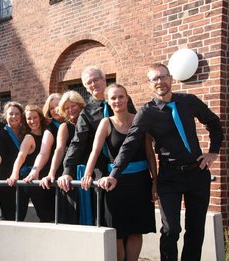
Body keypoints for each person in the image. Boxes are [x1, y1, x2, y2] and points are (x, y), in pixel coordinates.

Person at [104, 63, 223, 261]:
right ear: (150, 84)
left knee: (196, 229)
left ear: (171, 78)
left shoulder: (189, 101)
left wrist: (212, 152)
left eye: (163, 77)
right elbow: (130, 144)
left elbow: (214, 123)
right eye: (155, 79)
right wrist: (115, 174)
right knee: (171, 229)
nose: (160, 82)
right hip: (170, 176)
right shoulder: (146, 113)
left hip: (197, 173)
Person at [81, 84, 157, 261]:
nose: (118, 101)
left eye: (121, 96)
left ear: (127, 98)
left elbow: (150, 154)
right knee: (118, 233)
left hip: (141, 183)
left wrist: (155, 182)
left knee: (137, 231)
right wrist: (87, 174)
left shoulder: (140, 119)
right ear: (107, 101)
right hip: (115, 184)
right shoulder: (105, 123)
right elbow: (95, 151)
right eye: (113, 98)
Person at [58, 65, 136, 225]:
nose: (93, 84)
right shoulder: (86, 112)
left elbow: (136, 131)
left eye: (96, 79)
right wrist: (67, 171)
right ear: (85, 87)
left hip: (130, 169)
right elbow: (77, 143)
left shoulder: (122, 100)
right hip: (102, 171)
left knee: (132, 222)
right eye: (89, 82)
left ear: (104, 79)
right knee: (110, 221)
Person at [40, 90, 85, 224]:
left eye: (73, 106)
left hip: (90, 172)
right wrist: (51, 173)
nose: (70, 110)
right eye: (67, 108)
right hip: (71, 173)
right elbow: (58, 150)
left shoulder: (90, 121)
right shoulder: (64, 127)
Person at [7, 105, 54, 222]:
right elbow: (21, 156)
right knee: (45, 215)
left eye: (35, 117)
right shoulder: (29, 137)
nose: (32, 121)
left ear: (40, 118)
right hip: (33, 180)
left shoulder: (47, 133)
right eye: (29, 118)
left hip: (46, 178)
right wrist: (14, 174)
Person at [23, 93, 63, 182]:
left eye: (57, 105)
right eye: (51, 108)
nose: (55, 110)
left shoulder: (74, 122)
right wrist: (35, 170)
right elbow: (43, 153)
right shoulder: (50, 129)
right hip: (57, 174)